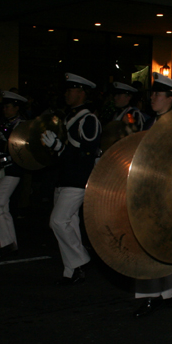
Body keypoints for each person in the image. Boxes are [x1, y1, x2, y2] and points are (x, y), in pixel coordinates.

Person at [133, 73, 172, 317]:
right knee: (155, 243)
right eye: (152, 94)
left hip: (163, 191)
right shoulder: (151, 121)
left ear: (170, 98)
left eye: (157, 94)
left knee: (149, 242)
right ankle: (165, 293)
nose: (152, 98)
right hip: (148, 189)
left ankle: (149, 297)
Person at [43, 73, 101, 285]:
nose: (67, 94)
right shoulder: (67, 117)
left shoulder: (88, 119)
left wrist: (60, 148)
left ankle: (80, 259)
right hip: (64, 177)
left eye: (71, 90)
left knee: (57, 221)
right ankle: (72, 270)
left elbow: (88, 154)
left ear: (82, 92)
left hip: (78, 179)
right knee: (70, 222)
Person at [0, 91, 27, 258]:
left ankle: (5, 245)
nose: (5, 109)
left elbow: (16, 147)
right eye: (4, 106)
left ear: (17, 107)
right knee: (3, 208)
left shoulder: (22, 125)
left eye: (8, 106)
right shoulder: (4, 123)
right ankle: (12, 245)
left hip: (12, 170)